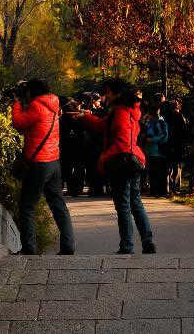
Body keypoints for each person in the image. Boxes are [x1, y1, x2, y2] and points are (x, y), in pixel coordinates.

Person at [76, 78, 156, 255]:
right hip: (135, 160)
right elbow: (103, 125)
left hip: (121, 160)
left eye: (108, 92)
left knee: (123, 205)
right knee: (136, 202)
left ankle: (127, 246)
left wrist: (107, 153)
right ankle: (147, 240)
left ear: (116, 93)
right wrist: (85, 117)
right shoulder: (131, 111)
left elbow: (114, 132)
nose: (106, 96)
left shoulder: (118, 111)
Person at [11, 78, 75, 256]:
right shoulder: (53, 105)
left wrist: (17, 102)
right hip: (53, 161)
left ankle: (29, 249)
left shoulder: (37, 107)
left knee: (27, 206)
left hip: (38, 163)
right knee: (58, 204)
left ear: (33, 92)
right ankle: (68, 246)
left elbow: (18, 123)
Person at [143, 100, 169, 196]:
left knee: (158, 172)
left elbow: (164, 136)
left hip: (158, 151)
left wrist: (152, 139)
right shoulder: (151, 122)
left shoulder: (160, 122)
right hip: (151, 150)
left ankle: (160, 191)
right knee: (152, 172)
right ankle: (154, 190)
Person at [164, 97, 188, 193]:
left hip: (172, 144)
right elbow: (184, 131)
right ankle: (175, 187)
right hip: (177, 144)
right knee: (176, 167)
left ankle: (170, 187)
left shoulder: (167, 116)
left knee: (171, 167)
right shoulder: (180, 116)